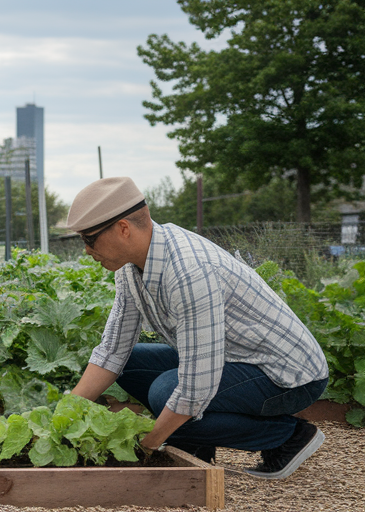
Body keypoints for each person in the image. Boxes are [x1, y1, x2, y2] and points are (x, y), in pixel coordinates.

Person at [63, 177, 329, 479]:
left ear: (123, 228)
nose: (86, 250)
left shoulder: (189, 271)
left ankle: (287, 436)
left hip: (286, 375)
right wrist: (61, 417)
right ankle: (196, 443)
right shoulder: (129, 268)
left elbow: (193, 391)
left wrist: (145, 449)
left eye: (89, 239)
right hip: (233, 360)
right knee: (130, 362)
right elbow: (112, 350)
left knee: (167, 392)